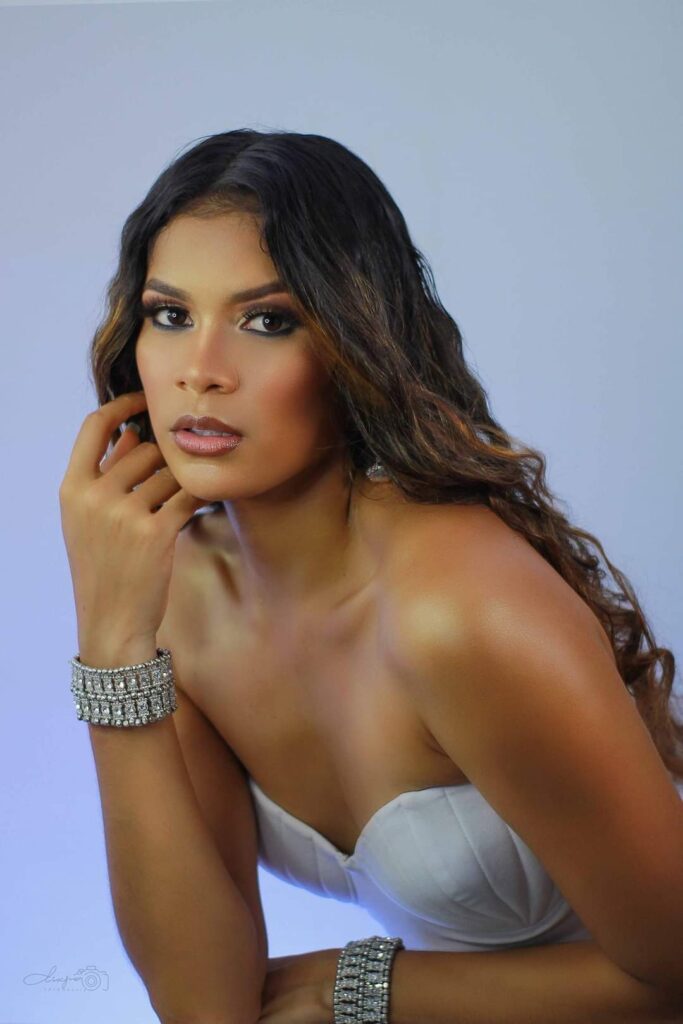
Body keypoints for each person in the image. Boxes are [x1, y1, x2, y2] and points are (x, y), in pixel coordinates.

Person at [59, 129, 683, 1024]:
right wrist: (111, 644)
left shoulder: (455, 607)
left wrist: (357, 987)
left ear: (354, 342)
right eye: (170, 315)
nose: (200, 372)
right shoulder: (179, 600)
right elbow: (205, 1007)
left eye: (266, 321)